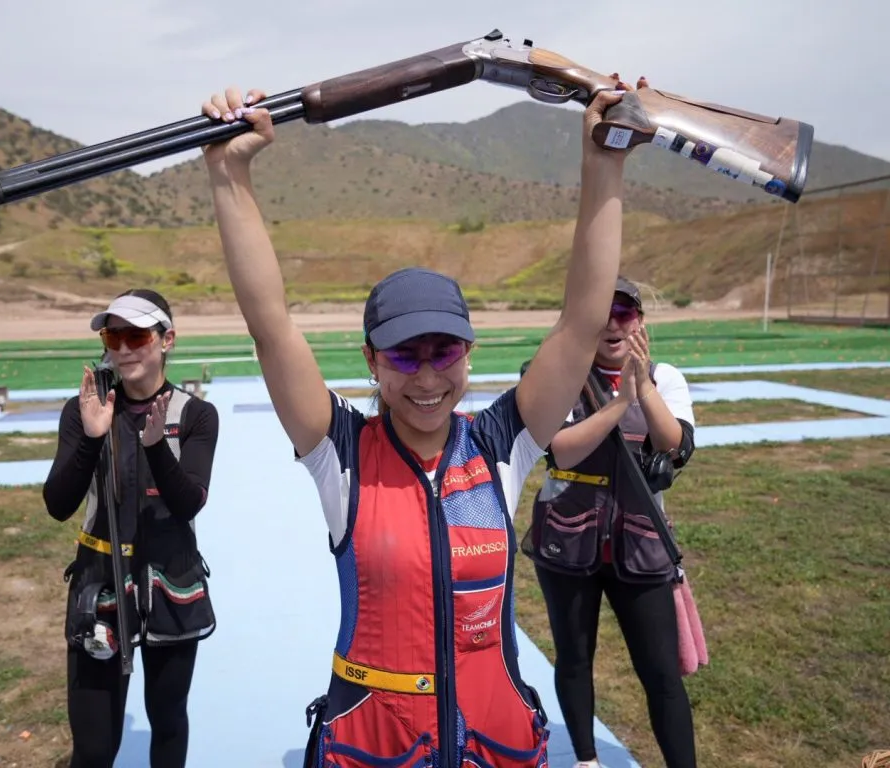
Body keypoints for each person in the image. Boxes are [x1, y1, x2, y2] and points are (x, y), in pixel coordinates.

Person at [200, 75, 642, 768]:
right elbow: (271, 327)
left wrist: (604, 159)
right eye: (405, 356)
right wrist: (230, 174)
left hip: (494, 746)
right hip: (377, 751)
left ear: (469, 352)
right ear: (372, 361)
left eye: (445, 352)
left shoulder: (502, 443)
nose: (429, 378)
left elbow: (582, 324)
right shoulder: (341, 454)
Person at [521, 277, 698, 768]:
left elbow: (675, 447)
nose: (613, 324)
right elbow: (561, 449)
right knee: (574, 658)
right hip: (566, 541)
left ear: (640, 321)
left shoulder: (665, 377)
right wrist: (622, 403)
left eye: (624, 313)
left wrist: (643, 388)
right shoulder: (558, 375)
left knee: (662, 673)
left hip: (640, 544)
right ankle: (585, 759)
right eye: (602, 313)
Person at [42, 288, 220, 768]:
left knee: (168, 719)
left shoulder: (196, 415)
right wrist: (91, 438)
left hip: (171, 583)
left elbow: (189, 504)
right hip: (99, 585)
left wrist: (156, 446)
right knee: (94, 749)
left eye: (136, 336)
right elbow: (58, 505)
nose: (123, 348)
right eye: (112, 336)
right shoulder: (84, 409)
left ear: (167, 340)